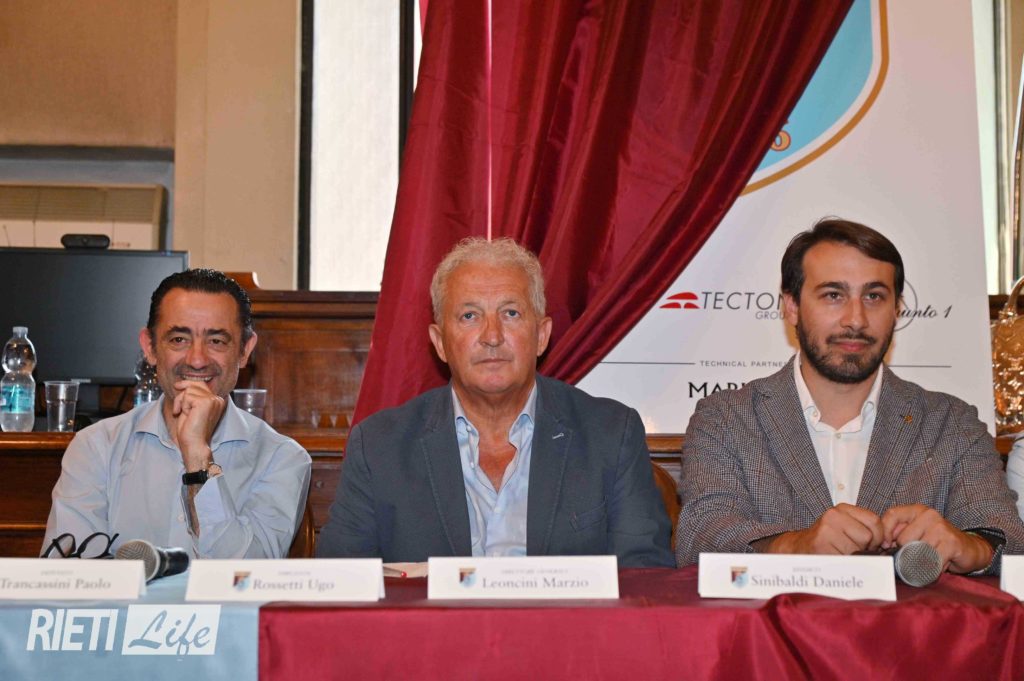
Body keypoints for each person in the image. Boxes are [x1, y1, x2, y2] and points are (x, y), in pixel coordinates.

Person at [677, 218, 1024, 574]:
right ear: (792, 306)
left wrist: (969, 546)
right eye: (833, 295)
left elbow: (1008, 538)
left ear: (897, 309)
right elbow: (701, 536)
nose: (856, 320)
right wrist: (795, 546)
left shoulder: (951, 423)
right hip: (775, 613)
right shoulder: (726, 418)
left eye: (874, 296)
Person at [317, 238, 673, 566]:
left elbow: (643, 577)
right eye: (469, 316)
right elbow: (341, 582)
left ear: (542, 335)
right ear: (440, 343)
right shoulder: (380, 447)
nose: (491, 336)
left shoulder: (610, 435)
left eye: (510, 313)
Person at [42, 269, 311, 559]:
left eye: (216, 341)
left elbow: (246, 575)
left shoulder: (281, 458)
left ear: (245, 350)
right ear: (150, 347)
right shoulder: (96, 447)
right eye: (179, 339)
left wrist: (198, 456)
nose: (197, 360)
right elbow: (71, 575)